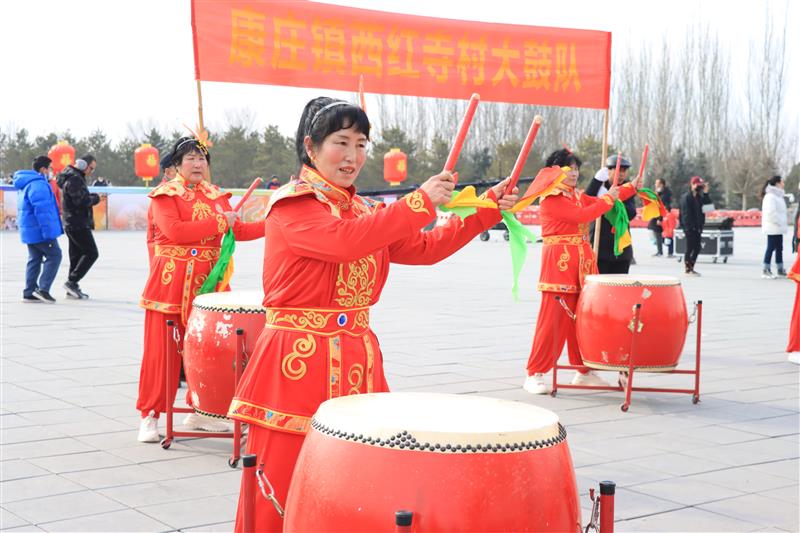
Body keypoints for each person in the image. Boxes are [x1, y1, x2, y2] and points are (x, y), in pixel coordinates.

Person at [227, 96, 518, 532]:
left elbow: (425, 247)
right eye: (340, 142)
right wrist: (419, 202)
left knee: (356, 478)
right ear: (311, 147)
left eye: (361, 144)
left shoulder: (365, 210)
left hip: (358, 362)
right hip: (297, 364)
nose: (352, 156)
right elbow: (346, 241)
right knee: (283, 482)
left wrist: (487, 208)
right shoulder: (292, 206)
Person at [135, 136, 266, 443]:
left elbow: (239, 229)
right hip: (170, 283)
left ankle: (201, 411)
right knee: (162, 351)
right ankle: (150, 415)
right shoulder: (165, 196)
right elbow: (175, 232)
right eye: (191, 158)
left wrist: (275, 220)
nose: (197, 164)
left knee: (211, 351)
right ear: (177, 165)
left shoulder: (215, 195)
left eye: (202, 159)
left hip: (210, 283)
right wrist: (221, 222)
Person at [522, 149, 640, 394]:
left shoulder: (573, 195)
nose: (574, 174)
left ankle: (583, 371)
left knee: (581, 322)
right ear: (554, 172)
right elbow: (584, 214)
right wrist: (608, 199)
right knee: (552, 322)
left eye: (576, 169)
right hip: (559, 267)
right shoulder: (551, 198)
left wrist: (631, 187)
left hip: (582, 265)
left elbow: (599, 201)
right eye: (569, 169)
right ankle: (535, 373)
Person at [12, 156, 63, 303]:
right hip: (40, 230)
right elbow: (42, 211)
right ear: (43, 169)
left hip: (30, 230)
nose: (50, 172)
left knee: (35, 258)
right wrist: (48, 233)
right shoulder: (38, 184)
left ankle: (29, 292)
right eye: (49, 169)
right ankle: (43, 289)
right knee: (55, 255)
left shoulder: (26, 183)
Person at [585, 155, 638, 274]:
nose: (622, 174)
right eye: (619, 170)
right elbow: (586, 201)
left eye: (624, 171)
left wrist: (612, 201)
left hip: (621, 248)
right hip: (599, 247)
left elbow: (631, 212)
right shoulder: (599, 186)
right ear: (608, 170)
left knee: (620, 286)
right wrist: (596, 182)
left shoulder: (627, 188)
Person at [57, 155, 100, 298]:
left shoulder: (73, 177)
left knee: (76, 256)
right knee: (91, 253)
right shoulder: (75, 178)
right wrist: (95, 198)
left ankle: (72, 286)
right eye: (91, 168)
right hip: (77, 223)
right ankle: (72, 281)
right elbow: (80, 202)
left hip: (73, 222)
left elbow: (78, 197)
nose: (91, 172)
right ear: (82, 165)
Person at [146, 153, 177, 262]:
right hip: (164, 255)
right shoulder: (163, 193)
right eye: (178, 168)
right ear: (168, 172)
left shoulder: (177, 190)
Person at [679, 176, 713, 276]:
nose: (699, 188)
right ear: (692, 185)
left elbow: (709, 208)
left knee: (697, 248)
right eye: (698, 186)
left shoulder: (699, 197)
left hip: (698, 227)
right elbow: (685, 214)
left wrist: (706, 193)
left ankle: (691, 267)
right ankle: (687, 268)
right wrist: (688, 227)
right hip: (689, 227)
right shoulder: (686, 198)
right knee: (689, 248)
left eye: (701, 186)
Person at [761, 175, 788, 279]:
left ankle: (780, 268)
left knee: (779, 248)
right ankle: (766, 269)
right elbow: (770, 213)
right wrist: (779, 222)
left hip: (778, 227)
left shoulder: (778, 196)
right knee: (770, 247)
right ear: (777, 183)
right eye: (782, 182)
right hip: (773, 227)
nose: (783, 184)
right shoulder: (770, 196)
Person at [648, 178, 673, 257]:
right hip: (658, 215)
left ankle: (666, 251)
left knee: (665, 234)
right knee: (657, 233)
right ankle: (663, 250)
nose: (655, 185)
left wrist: (660, 218)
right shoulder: (660, 192)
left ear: (661, 184)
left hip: (663, 216)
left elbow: (662, 206)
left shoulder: (665, 194)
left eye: (657, 183)